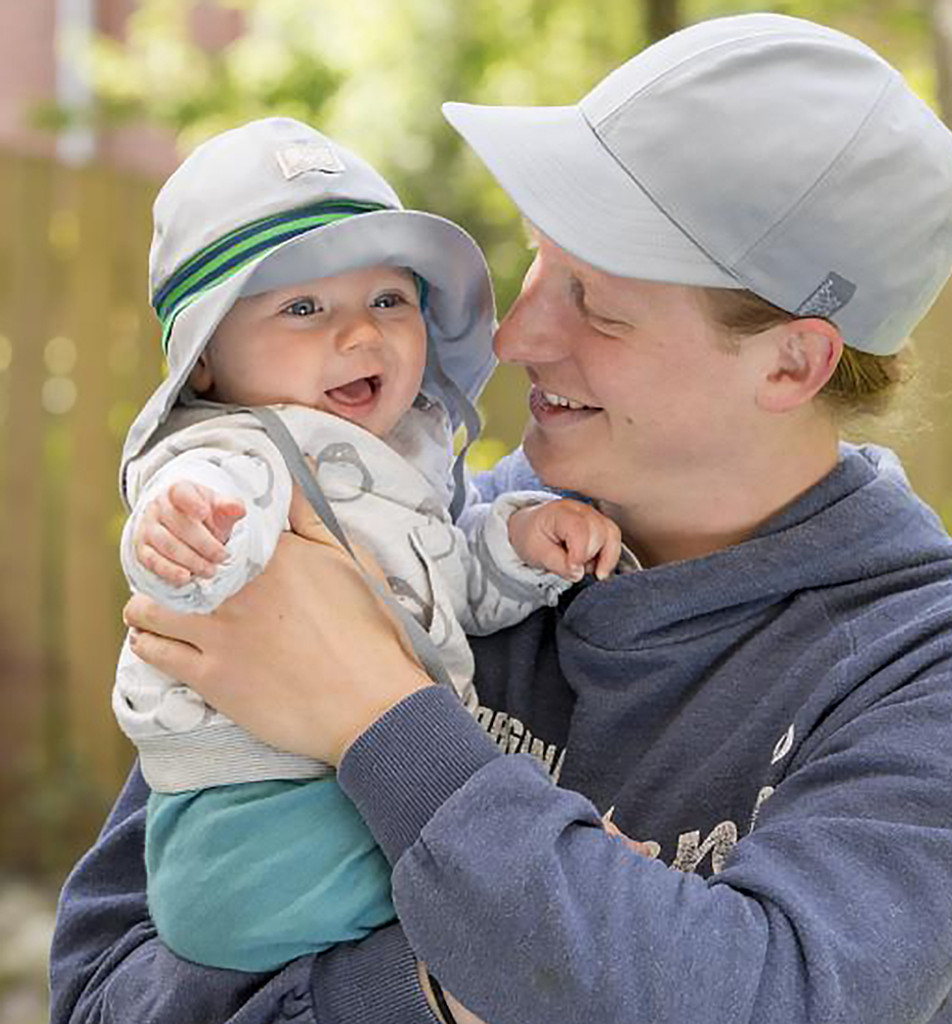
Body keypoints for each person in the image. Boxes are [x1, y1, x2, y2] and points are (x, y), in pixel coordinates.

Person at [51, 12, 952, 1024]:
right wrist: (446, 990)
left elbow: (769, 1001)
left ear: (792, 360)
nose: (513, 337)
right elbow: (102, 989)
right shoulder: (408, 520)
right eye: (535, 263)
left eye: (597, 304)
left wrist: (376, 714)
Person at [111, 117, 621, 972]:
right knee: (466, 875)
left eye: (388, 299)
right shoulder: (241, 448)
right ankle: (567, 886)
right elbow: (207, 519)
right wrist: (186, 527)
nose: (358, 333)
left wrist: (520, 546)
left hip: (352, 777)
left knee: (450, 850)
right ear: (204, 361)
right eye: (303, 308)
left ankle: (547, 889)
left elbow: (442, 592)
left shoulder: (401, 467)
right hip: (250, 807)